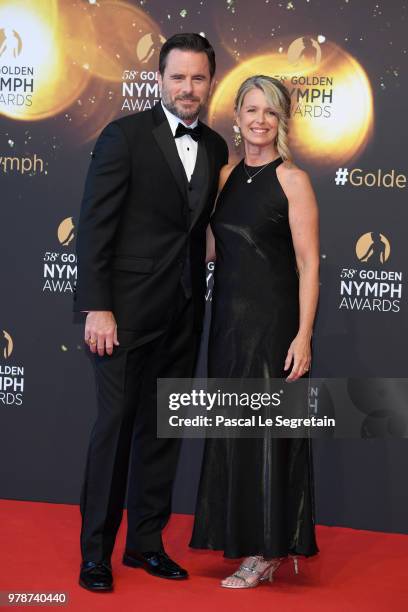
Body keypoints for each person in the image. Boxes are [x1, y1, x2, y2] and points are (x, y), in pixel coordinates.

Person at [74, 33, 228, 592]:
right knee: (113, 432)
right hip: (123, 316)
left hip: (184, 316)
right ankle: (95, 553)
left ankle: (145, 544)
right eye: (178, 77)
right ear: (160, 79)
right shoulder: (124, 136)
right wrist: (97, 306)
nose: (188, 88)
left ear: (211, 83)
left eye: (198, 78)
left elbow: (200, 229)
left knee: (163, 435)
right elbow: (95, 227)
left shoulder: (214, 146)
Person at [190, 75, 320, 588]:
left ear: (281, 119)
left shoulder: (293, 180)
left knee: (268, 435)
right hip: (227, 325)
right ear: (237, 116)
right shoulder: (223, 177)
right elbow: (215, 248)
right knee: (235, 434)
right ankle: (246, 542)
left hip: (274, 326)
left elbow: (309, 264)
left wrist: (303, 334)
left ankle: (268, 551)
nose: (259, 120)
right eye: (251, 110)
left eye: (270, 112)